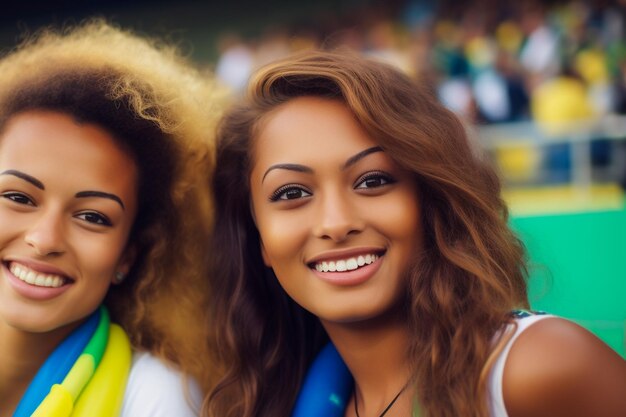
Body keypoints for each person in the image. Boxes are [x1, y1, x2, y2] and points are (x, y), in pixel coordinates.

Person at [205, 50, 626, 417]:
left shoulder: (537, 367)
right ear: (258, 235)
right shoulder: (274, 398)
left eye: (372, 181)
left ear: (428, 200)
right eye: (292, 192)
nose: (335, 223)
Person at [0, 20, 218, 416]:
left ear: (127, 257)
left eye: (93, 217)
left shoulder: (154, 398)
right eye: (17, 197)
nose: (45, 239)